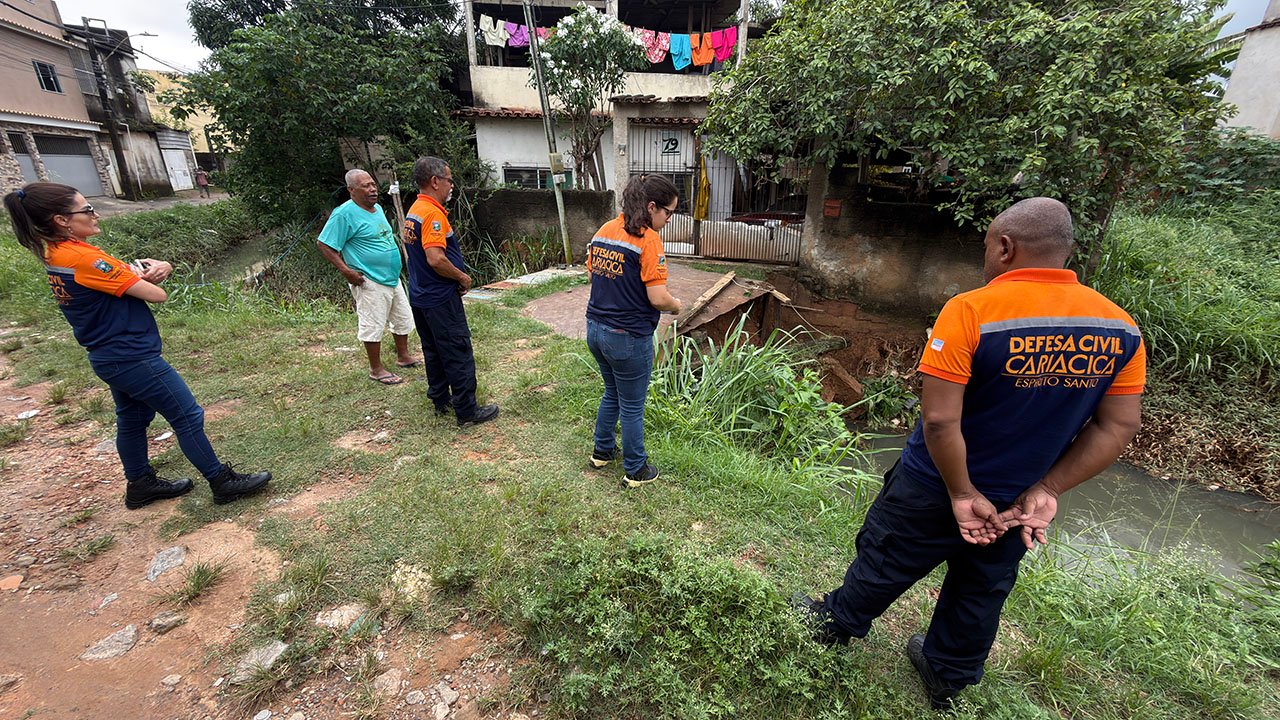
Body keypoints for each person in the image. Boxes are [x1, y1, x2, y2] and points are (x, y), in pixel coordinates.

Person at [794, 197, 1145, 709]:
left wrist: (961, 492)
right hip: (1017, 501)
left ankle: (837, 624)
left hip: (937, 482)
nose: (985, 258)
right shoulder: (1119, 327)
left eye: (986, 247)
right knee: (982, 587)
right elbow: (1119, 426)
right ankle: (947, 675)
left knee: (888, 554)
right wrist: (1047, 489)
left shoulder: (972, 310)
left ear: (1005, 247)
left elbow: (939, 418)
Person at [2, 183, 271, 509]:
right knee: (187, 415)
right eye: (87, 210)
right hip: (131, 357)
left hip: (108, 356)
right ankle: (222, 481)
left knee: (132, 418)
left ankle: (141, 484)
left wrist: (135, 276)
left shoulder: (57, 253)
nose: (95, 213)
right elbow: (157, 294)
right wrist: (161, 270)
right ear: (61, 220)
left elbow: (115, 283)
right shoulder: (83, 258)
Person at [583, 174, 683, 488]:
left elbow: (592, 277)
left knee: (612, 392)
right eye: (669, 212)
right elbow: (657, 298)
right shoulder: (649, 239)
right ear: (652, 207)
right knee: (632, 405)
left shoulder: (605, 230)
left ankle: (601, 452)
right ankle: (636, 469)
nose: (668, 219)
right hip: (627, 337)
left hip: (595, 329)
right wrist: (677, 305)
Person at [402, 157, 499, 427]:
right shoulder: (432, 214)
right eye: (449, 180)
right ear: (435, 181)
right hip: (439, 298)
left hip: (421, 295)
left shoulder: (416, 210)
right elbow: (435, 258)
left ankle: (440, 401)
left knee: (433, 350)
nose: (452, 185)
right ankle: (467, 411)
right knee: (457, 350)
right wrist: (461, 276)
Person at [316, 169, 420, 385]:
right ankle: (376, 368)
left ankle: (403, 356)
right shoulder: (344, 214)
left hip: (391, 277)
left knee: (402, 317)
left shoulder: (378, 209)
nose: (373, 189)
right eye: (366, 186)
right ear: (351, 190)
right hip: (369, 279)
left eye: (373, 184)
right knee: (372, 324)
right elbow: (324, 243)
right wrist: (346, 271)